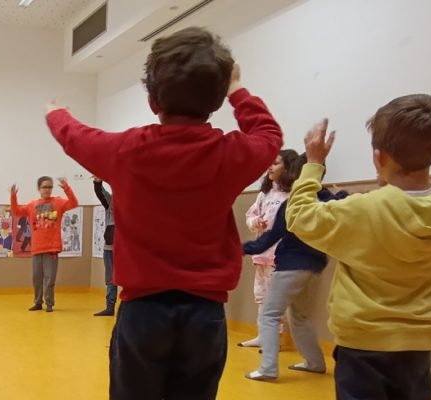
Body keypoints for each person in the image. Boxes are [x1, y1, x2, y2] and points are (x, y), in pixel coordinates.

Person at [46, 27, 282, 399]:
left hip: (143, 312)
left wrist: (56, 112)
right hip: (204, 314)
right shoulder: (229, 155)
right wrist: (238, 89)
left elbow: (73, 135)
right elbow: (269, 135)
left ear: (154, 101)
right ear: (217, 100)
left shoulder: (125, 151)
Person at [284, 97, 431, 399]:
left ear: (378, 157)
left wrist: (314, 163)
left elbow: (298, 215)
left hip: (361, 344)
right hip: (418, 345)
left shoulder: (360, 210)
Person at [242, 154, 347, 381]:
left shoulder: (293, 203)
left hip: (290, 266)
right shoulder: (326, 198)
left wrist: (242, 248)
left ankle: (268, 369)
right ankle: (315, 362)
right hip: (314, 268)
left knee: (270, 314)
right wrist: (343, 194)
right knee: (300, 316)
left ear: (296, 175)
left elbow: (269, 238)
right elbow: (342, 203)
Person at [238, 149, 297, 347]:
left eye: (276, 163)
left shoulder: (292, 194)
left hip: (279, 254)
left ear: (287, 167)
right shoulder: (265, 194)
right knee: (261, 294)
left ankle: (276, 339)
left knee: (275, 297)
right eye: (270, 163)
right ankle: (263, 335)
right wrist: (256, 222)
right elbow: (250, 216)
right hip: (262, 253)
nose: (270, 167)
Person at [10, 176, 78, 312]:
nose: (47, 190)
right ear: (39, 189)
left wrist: (66, 187)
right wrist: (13, 196)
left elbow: (74, 203)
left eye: (49, 187)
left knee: (50, 278)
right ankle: (38, 302)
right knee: (36, 278)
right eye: (44, 187)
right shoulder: (32, 205)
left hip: (52, 248)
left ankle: (49, 303)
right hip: (37, 248)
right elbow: (16, 211)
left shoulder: (58, 202)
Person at [92, 177, 117, 316]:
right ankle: (110, 306)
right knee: (110, 278)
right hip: (110, 249)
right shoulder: (111, 201)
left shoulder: (133, 202)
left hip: (127, 250)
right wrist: (97, 181)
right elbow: (99, 192)